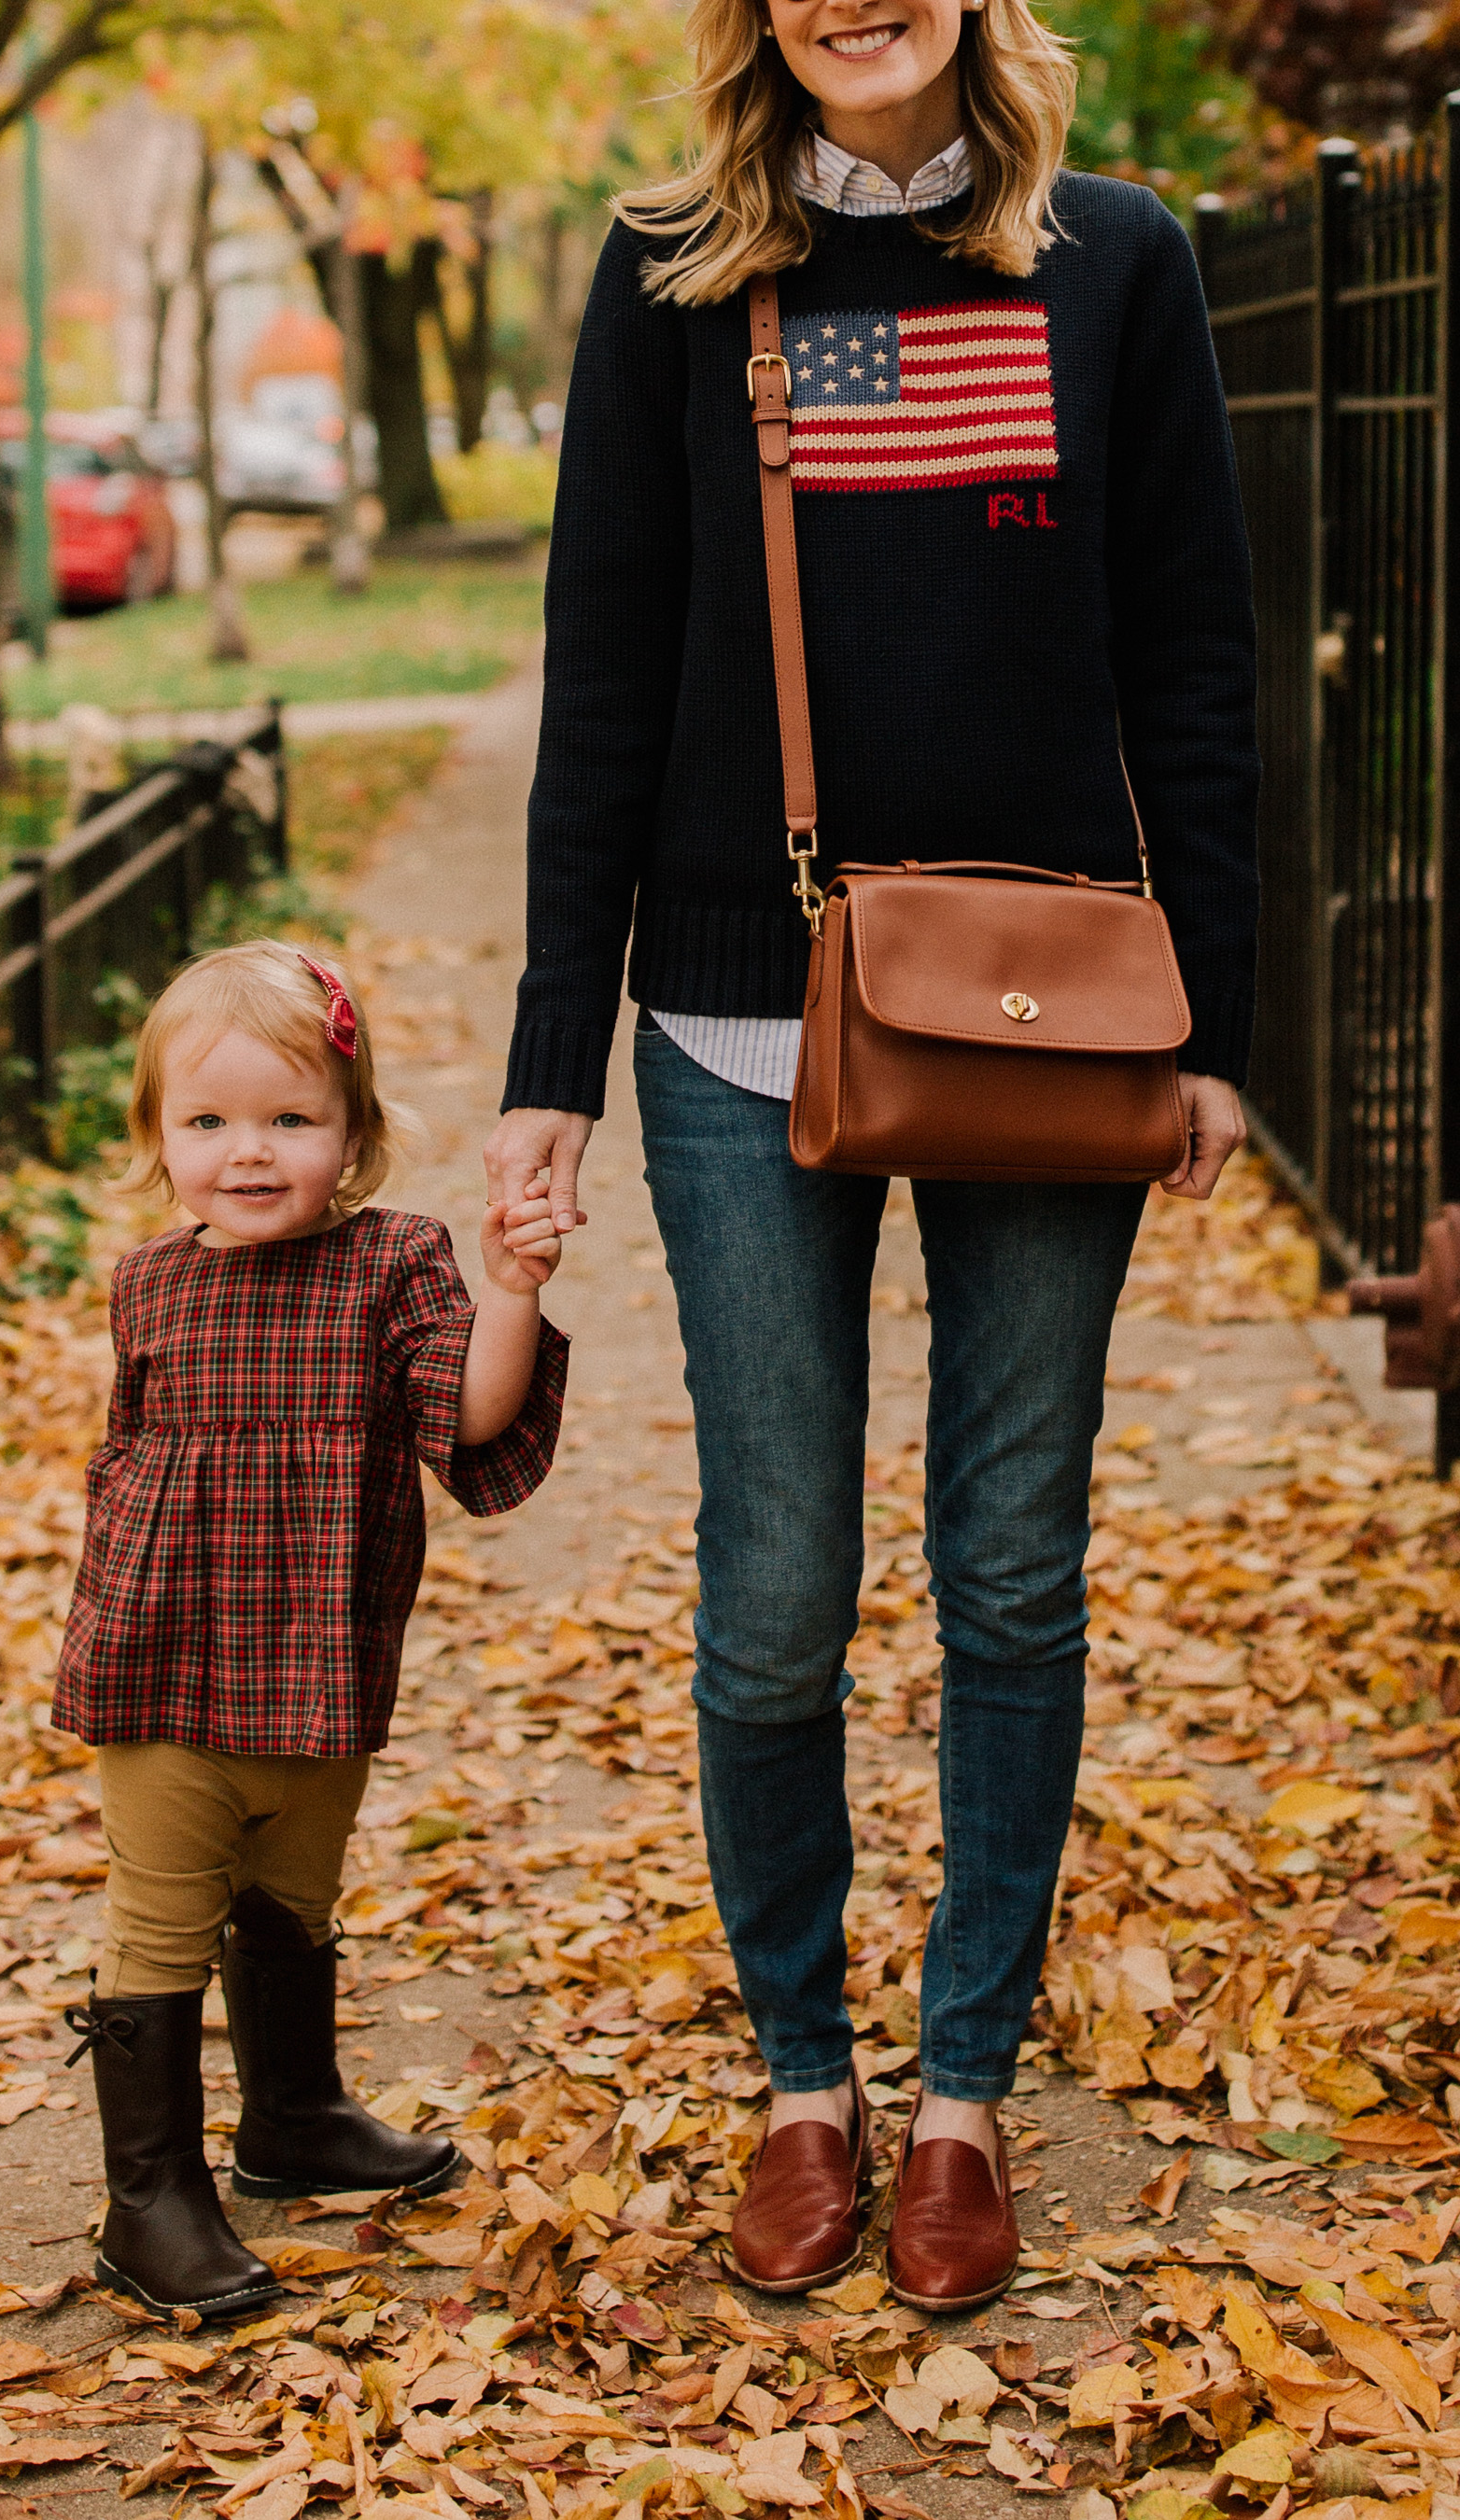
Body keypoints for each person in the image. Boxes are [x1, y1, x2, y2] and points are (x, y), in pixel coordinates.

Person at [486, 0, 1257, 2308]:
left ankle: (958, 2101)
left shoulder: (1116, 262)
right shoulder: (666, 281)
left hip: (1046, 1009)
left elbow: (1196, 656)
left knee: (1015, 1568)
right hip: (737, 1013)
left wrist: (1215, 1010)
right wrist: (549, 1062)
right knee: (780, 1581)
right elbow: (603, 681)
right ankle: (801, 2076)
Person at [58, 940, 569, 2319]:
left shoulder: (393, 1264)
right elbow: (130, 1462)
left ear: (352, 1136)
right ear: (159, 1139)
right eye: (208, 1121)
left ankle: (292, 2116)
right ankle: (149, 2201)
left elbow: (464, 1417)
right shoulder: (149, 1283)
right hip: (162, 1662)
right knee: (162, 1919)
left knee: (294, 1891)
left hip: (321, 1656)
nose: (248, 1152)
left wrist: (511, 1287)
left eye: (291, 1119)